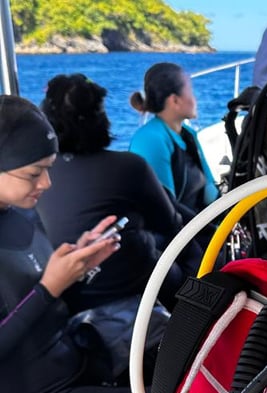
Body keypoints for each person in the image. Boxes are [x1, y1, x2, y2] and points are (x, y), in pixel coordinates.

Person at [0, 95, 143, 393]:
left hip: (73, 360)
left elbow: (34, 293)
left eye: (49, 168)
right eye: (34, 173)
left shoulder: (21, 213)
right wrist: (49, 288)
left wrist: (79, 265)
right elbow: (37, 297)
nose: (47, 183)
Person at [37, 73, 197, 311]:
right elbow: (172, 225)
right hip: (137, 293)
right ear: (101, 119)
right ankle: (200, 314)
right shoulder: (129, 166)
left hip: (70, 295)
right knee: (191, 246)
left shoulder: (37, 178)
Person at [129, 62, 220, 222]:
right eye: (191, 91)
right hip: (174, 234)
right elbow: (162, 209)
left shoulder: (189, 135)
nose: (195, 99)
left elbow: (210, 193)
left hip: (198, 226)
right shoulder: (151, 139)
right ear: (175, 101)